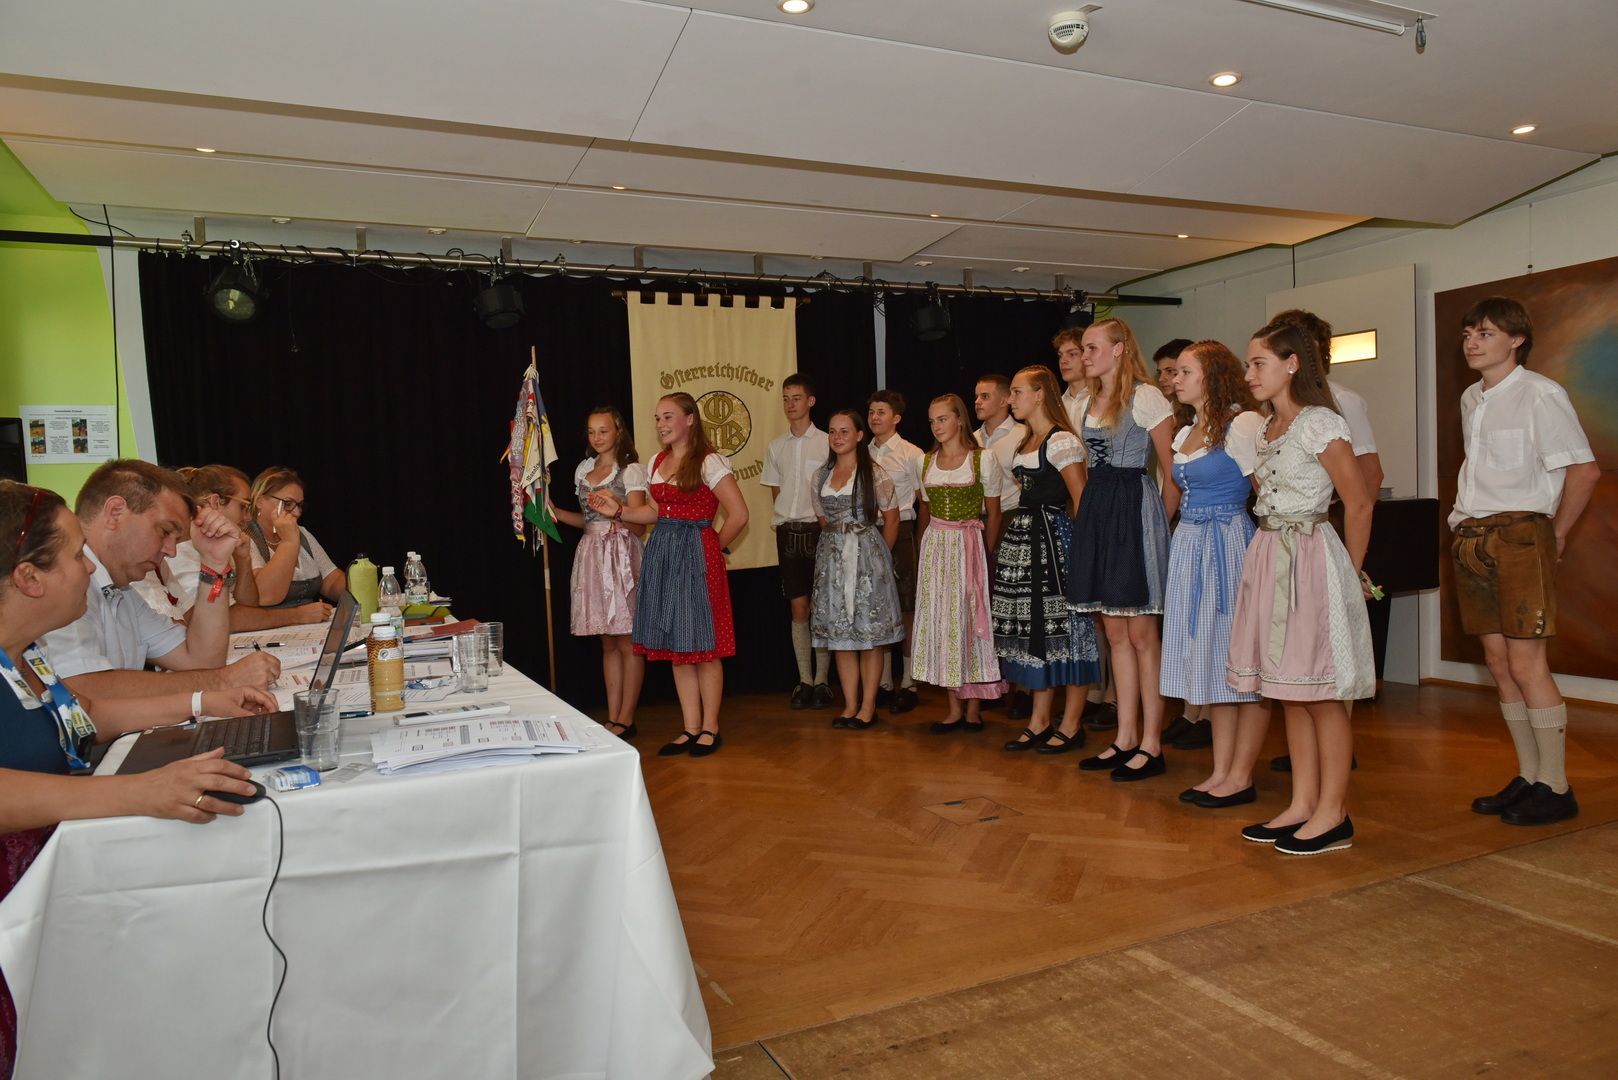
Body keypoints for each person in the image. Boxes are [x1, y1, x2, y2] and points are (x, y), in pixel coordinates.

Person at [0, 480, 277, 1075]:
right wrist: (139, 792)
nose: (86, 567)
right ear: (28, 578)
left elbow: (83, 714)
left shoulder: (24, 653)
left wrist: (202, 702)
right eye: (74, 555)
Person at [1227, 316, 1375, 855]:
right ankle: (1302, 803)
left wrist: (1349, 572)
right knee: (1291, 691)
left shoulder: (1319, 423)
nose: (1249, 374)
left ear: (1292, 365)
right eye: (1248, 363)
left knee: (1323, 694)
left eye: (1258, 363)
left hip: (1310, 555)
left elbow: (1358, 502)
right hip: (1271, 552)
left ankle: (1334, 813)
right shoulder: (1267, 428)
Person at [1450, 297, 1599, 826]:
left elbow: (1584, 471)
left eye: (1486, 333)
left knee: (1527, 663)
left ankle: (1556, 786)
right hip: (1472, 535)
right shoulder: (1471, 397)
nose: (1472, 342)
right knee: (1498, 662)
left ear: (1516, 340)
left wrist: (1554, 534)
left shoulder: (1540, 394)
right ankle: (1530, 774)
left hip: (1520, 534)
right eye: (1469, 333)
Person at [590, 393, 748, 757]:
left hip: (696, 554)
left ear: (690, 419)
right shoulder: (657, 461)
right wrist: (618, 510)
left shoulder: (709, 461)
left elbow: (739, 514)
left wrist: (714, 548)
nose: (661, 424)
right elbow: (655, 513)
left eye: (668, 417)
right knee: (680, 644)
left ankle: (710, 727)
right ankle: (690, 727)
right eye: (658, 418)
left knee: (703, 646)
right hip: (663, 553)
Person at [41, 460, 281, 699]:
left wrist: (214, 565)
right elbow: (81, 689)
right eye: (164, 531)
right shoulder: (59, 582)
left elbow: (202, 660)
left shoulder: (123, 593)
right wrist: (223, 680)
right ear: (115, 513)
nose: (171, 551)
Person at [1066, 318, 1181, 782]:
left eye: (1091, 347)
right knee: (1115, 633)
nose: (1084, 355)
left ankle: (1152, 742)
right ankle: (1126, 736)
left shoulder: (1146, 396)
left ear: (1118, 349)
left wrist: (1158, 527)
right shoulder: (1086, 402)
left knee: (1142, 635)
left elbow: (1172, 472)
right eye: (1082, 348)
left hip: (1132, 509)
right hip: (1099, 509)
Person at [1161, 342, 1269, 808]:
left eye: (1185, 372)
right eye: (1176, 373)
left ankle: (1240, 776)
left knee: (1239, 661)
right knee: (1212, 663)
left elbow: (1267, 490)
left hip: (1227, 544)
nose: (1175, 379)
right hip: (1191, 545)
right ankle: (1222, 771)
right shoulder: (1187, 431)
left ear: (1213, 375)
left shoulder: (1241, 424)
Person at [991, 366, 1100, 753]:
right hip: (1026, 541)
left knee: (1066, 631)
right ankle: (1039, 720)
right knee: (1035, 631)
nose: (1011, 399)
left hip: (1053, 543)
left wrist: (1082, 554)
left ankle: (1071, 723)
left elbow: (1081, 499)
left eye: (1017, 392)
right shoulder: (1027, 441)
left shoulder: (1061, 441)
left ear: (1040, 395)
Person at [548, 407, 648, 740]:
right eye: (591, 432)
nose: (597, 438)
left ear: (618, 431)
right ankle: (613, 714)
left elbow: (639, 525)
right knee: (608, 642)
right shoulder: (584, 469)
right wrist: (556, 512)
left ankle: (627, 717)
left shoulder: (631, 471)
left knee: (627, 640)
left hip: (621, 555)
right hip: (593, 554)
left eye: (603, 431)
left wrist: (616, 513)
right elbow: (587, 522)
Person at [133, 465, 333, 631]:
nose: (248, 517)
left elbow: (249, 604)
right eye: (243, 506)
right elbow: (223, 618)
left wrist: (243, 559)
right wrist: (296, 616)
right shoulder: (182, 551)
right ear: (214, 502)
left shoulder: (224, 544)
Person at [914, 394, 1008, 732]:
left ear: (959, 419)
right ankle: (954, 707)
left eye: (942, 419)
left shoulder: (983, 459)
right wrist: (923, 551)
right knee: (943, 621)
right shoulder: (924, 462)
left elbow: (994, 513)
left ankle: (974, 709)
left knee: (970, 620)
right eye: (932, 420)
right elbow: (925, 511)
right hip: (936, 547)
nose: (936, 426)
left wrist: (984, 552)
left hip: (969, 546)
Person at [810, 410, 903, 729]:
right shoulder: (821, 475)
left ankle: (868, 706)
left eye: (844, 431)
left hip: (866, 558)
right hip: (833, 560)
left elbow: (892, 519)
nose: (837, 437)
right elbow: (823, 519)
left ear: (859, 435)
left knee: (870, 634)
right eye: (832, 431)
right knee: (840, 635)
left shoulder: (874, 473)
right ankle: (849, 705)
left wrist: (878, 559)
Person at [1153, 338, 1211, 751]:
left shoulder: (1230, 422)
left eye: (1176, 371)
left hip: (1203, 524)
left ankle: (1207, 714)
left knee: (1208, 623)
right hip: (1184, 524)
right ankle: (1191, 711)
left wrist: (1163, 522)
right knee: (1186, 623)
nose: (1168, 379)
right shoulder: (1182, 421)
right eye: (1163, 372)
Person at [761, 374, 831, 710]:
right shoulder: (777, 446)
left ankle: (823, 681)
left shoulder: (827, 442)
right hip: (788, 531)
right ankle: (805, 679)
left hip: (819, 530)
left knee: (822, 606)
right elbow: (776, 492)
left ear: (811, 401)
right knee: (798, 606)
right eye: (786, 399)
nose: (790, 404)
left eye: (797, 398)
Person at [974, 373, 1031, 721]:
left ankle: (1024, 688)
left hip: (1011, 519)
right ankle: (993, 680)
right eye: (976, 397)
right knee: (986, 605)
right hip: (975, 522)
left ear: (1005, 399)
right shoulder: (971, 438)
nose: (978, 402)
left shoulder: (1022, 434)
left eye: (985, 396)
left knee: (1016, 605)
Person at [867, 390, 925, 714]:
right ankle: (885, 681)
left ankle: (909, 681)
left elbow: (924, 500)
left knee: (906, 608)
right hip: (870, 531)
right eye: (871, 412)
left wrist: (920, 536)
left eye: (882, 412)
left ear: (897, 418)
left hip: (902, 530)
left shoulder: (911, 453)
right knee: (878, 607)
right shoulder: (862, 452)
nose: (875, 417)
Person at [246, 466, 347, 607]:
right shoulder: (246, 537)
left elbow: (331, 581)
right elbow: (264, 595)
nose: (297, 512)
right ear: (260, 501)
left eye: (299, 505)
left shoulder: (302, 532)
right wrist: (289, 541)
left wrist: (362, 585)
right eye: (287, 503)